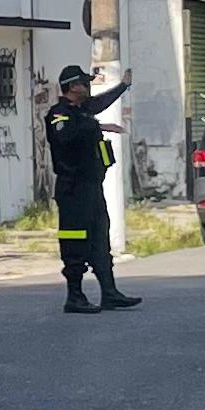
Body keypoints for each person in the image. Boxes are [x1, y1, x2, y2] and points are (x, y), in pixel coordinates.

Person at [46, 65, 140, 316]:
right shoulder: (60, 114)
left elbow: (99, 102)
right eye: (84, 84)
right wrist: (97, 127)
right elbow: (64, 137)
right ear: (74, 86)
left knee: (100, 238)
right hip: (73, 190)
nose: (88, 88)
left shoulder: (82, 111)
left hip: (92, 187)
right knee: (75, 241)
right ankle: (74, 297)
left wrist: (123, 86)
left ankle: (109, 293)